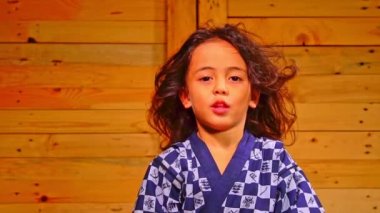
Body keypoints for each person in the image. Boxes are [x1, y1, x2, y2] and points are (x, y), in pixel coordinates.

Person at [133, 24, 324, 212]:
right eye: (206, 78)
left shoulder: (275, 160)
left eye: (234, 78)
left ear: (254, 96)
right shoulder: (168, 166)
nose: (220, 88)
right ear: (186, 96)